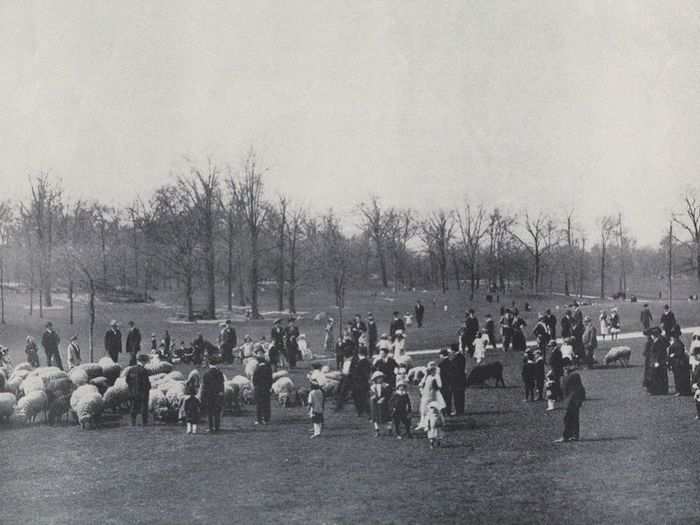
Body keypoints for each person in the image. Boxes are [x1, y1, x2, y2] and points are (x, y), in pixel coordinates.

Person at [555, 367, 586, 442]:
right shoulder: (576, 376)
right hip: (576, 400)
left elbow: (563, 389)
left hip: (571, 400)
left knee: (568, 418)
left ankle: (566, 436)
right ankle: (575, 435)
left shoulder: (567, 378)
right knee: (574, 418)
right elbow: (581, 389)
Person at [416, 362, 445, 431]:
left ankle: (428, 425)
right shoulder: (428, 376)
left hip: (432, 396)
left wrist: (435, 383)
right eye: (430, 370)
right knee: (423, 410)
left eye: (432, 369)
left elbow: (440, 386)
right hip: (425, 395)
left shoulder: (436, 376)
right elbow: (421, 384)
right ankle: (422, 424)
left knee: (431, 411)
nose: (431, 371)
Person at [125, 354, 151, 426]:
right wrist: (148, 388)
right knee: (143, 408)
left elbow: (127, 380)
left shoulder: (131, 370)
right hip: (142, 393)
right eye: (145, 361)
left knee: (133, 407)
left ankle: (133, 422)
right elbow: (146, 383)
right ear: (143, 361)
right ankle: (144, 423)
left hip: (132, 392)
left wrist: (131, 388)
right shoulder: (144, 371)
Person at [201, 360, 225, 432]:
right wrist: (221, 392)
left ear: (209, 365)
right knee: (217, 411)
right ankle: (217, 427)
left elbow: (204, 386)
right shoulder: (220, 373)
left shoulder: (206, 374)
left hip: (209, 395)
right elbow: (222, 384)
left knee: (210, 412)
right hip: (217, 394)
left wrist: (203, 396)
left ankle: (210, 427)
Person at [252, 347, 273, 425]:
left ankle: (259, 419)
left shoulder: (257, 369)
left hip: (259, 388)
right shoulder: (268, 367)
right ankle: (266, 418)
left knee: (259, 404)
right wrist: (269, 386)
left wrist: (255, 386)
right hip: (266, 388)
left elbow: (254, 379)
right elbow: (270, 378)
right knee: (266, 403)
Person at [647, 329, 669, 395]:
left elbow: (659, 353)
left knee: (660, 376)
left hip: (659, 362)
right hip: (656, 361)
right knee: (657, 376)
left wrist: (657, 361)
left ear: (654, 335)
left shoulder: (659, 342)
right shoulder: (656, 341)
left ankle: (660, 390)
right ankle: (657, 390)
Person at [369, 371, 390, 436]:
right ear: (375, 379)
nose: (380, 379)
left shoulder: (386, 385)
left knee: (386, 416)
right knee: (375, 417)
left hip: (384, 403)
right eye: (378, 378)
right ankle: (377, 430)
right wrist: (373, 396)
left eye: (381, 378)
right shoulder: (373, 387)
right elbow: (371, 394)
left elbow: (388, 394)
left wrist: (383, 398)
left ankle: (389, 429)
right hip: (375, 403)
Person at [351, 348, 371, 417]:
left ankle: (363, 411)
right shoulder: (364, 361)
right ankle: (361, 411)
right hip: (359, 383)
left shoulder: (362, 361)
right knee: (360, 398)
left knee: (361, 398)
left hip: (360, 383)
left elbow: (365, 373)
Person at [449, 344, 467, 416]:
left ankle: (458, 410)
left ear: (453, 350)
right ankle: (461, 410)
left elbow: (456, 370)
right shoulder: (461, 357)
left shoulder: (456, 358)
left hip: (457, 380)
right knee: (461, 395)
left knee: (457, 396)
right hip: (462, 379)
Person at [437, 349, 454, 416]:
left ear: (442, 355)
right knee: (449, 398)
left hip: (443, 383)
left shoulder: (441, 364)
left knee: (443, 398)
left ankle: (443, 412)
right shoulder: (450, 362)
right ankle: (448, 411)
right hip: (449, 383)